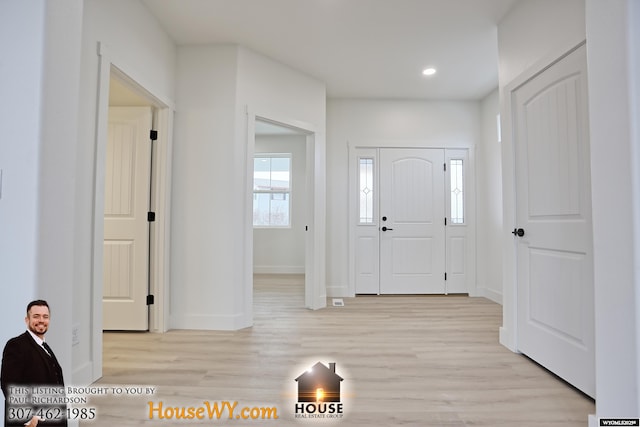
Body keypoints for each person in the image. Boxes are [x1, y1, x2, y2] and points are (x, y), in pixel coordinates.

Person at [1, 300, 67, 427]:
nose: (41, 320)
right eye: (36, 316)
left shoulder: (44, 346)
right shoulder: (16, 345)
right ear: (27, 320)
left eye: (45, 317)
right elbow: (8, 385)